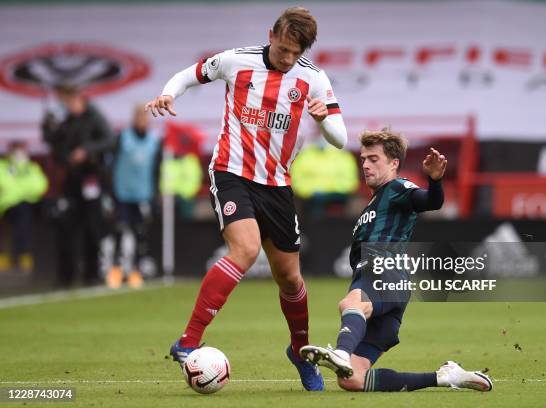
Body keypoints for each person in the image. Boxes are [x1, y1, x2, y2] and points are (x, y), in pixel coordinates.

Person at [145, 7, 347, 391]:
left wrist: (324, 119)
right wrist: (169, 93)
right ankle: (188, 341)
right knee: (245, 250)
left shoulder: (313, 79)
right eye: (283, 48)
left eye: (294, 52)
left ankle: (300, 350)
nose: (286, 58)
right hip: (232, 172)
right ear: (271, 34)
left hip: (277, 185)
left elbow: (341, 138)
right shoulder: (236, 61)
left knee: (290, 278)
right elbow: (191, 74)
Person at [300, 129, 492, 393]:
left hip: (383, 271)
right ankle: (445, 377)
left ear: (393, 163)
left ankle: (342, 353)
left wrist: (435, 181)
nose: (366, 164)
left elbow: (430, 201)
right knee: (352, 380)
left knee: (351, 303)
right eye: (364, 159)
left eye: (374, 159)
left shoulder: (397, 188)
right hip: (387, 290)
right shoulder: (373, 203)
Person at [42, 83, 114, 287]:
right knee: (66, 226)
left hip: (91, 178)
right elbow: (56, 145)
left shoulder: (94, 117)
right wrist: (48, 128)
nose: (69, 105)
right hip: (71, 181)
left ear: (79, 98)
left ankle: (91, 274)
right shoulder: (66, 120)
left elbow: (109, 140)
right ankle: (66, 275)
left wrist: (86, 150)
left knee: (93, 228)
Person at [107, 103, 161, 289]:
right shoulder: (123, 138)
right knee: (120, 231)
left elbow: (156, 170)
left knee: (140, 234)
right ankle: (115, 269)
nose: (142, 121)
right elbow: (111, 164)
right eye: (139, 117)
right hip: (122, 193)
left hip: (142, 194)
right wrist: (110, 192)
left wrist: (155, 195)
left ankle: (136, 271)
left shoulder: (154, 141)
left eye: (144, 118)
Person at [0, 140, 48, 273]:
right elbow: (4, 184)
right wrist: (24, 189)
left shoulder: (31, 167)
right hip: (7, 205)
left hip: (31, 204)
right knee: (22, 213)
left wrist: (19, 188)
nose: (19, 154)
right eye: (16, 151)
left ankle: (28, 253)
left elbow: (41, 185)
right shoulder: (3, 166)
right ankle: (22, 253)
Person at [290, 137, 359, 218]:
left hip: (339, 194)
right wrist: (311, 191)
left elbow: (350, 181)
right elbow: (296, 180)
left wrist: (328, 189)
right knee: (313, 204)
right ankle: (315, 229)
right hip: (310, 196)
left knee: (357, 205)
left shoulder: (344, 155)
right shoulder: (304, 156)